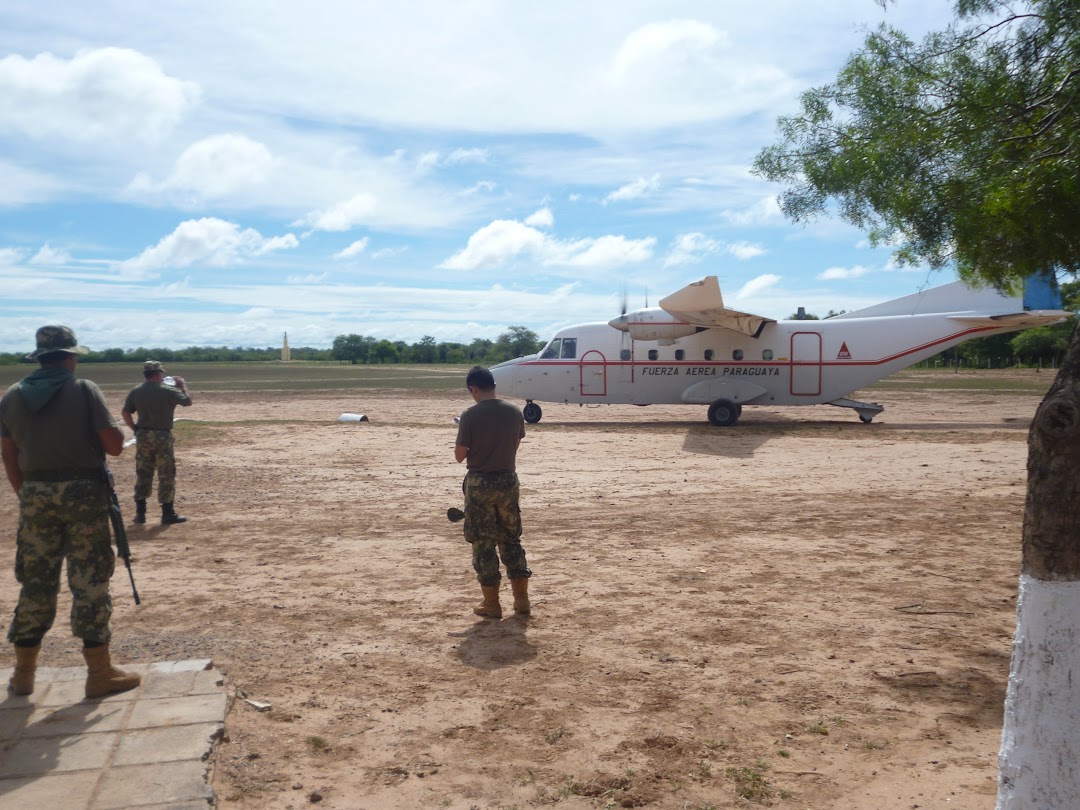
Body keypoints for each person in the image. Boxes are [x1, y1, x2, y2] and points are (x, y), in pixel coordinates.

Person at [0, 325, 141, 698]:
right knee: (90, 579)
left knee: (35, 581)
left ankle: (23, 676)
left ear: (39, 357)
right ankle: (99, 673)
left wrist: (27, 492)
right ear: (69, 357)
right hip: (83, 495)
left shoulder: (12, 395)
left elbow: (8, 452)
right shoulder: (83, 389)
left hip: (34, 493)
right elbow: (113, 446)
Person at [453, 365, 532, 618]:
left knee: (483, 544)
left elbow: (459, 455)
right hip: (509, 480)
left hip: (480, 484)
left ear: (473, 389)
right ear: (493, 385)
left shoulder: (470, 415)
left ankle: (492, 603)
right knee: (511, 539)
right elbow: (516, 443)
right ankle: (521, 601)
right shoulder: (514, 411)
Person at [121, 360, 193, 525]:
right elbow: (187, 401)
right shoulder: (168, 390)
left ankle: (140, 514)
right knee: (166, 473)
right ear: (159, 373)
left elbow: (125, 412)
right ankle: (167, 513)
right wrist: (182, 385)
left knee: (143, 472)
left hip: (143, 436)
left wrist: (135, 429)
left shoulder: (136, 391)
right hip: (162, 436)